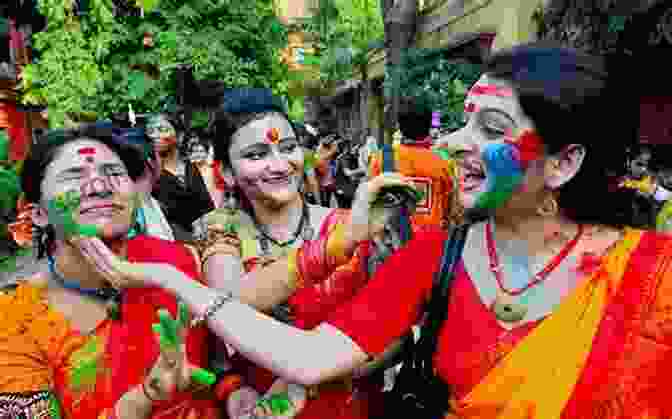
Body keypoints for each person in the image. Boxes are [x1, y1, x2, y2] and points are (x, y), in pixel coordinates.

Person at [95, 43, 672, 418]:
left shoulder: (655, 272)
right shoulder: (434, 255)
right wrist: (167, 279)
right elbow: (311, 356)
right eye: (461, 121)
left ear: (563, 163)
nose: (451, 143)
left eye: (489, 127)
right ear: (224, 170)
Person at [187, 88, 409, 419]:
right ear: (226, 173)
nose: (279, 165)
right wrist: (232, 388)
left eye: (288, 148)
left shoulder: (352, 226)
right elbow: (226, 310)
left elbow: (397, 334)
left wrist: (308, 379)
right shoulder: (218, 230)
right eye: (256, 154)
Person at [0, 122, 219, 418]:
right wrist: (145, 397)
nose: (100, 186)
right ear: (37, 213)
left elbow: (226, 353)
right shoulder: (14, 320)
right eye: (73, 176)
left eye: (114, 173)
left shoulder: (180, 261)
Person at [369, 98, 460, 231]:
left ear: (399, 126)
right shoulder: (443, 163)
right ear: (429, 126)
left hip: (392, 243)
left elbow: (370, 201)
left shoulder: (381, 159)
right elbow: (450, 210)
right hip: (430, 243)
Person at [147, 114, 214, 240]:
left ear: (179, 136)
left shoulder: (191, 168)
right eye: (150, 131)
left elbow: (206, 206)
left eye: (162, 130)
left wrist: (203, 226)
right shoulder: (148, 173)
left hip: (203, 239)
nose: (155, 135)